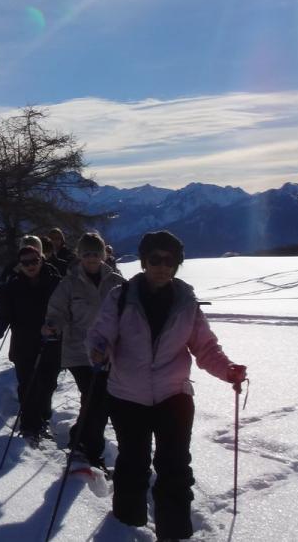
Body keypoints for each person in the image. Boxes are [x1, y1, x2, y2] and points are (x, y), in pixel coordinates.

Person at [87, 230, 247, 541]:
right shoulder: (120, 298)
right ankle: (125, 526)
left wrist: (227, 370)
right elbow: (99, 333)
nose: (162, 266)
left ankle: (175, 533)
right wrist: (98, 349)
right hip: (127, 397)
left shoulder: (187, 302)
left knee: (174, 467)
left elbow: (205, 348)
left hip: (174, 397)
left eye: (170, 261)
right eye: (155, 259)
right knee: (133, 462)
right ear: (144, 262)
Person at [43, 232, 125, 470]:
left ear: (104, 255)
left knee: (97, 400)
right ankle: (90, 450)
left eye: (96, 253)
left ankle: (80, 437)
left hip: (107, 352)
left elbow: (130, 310)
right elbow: (57, 310)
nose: (91, 258)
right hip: (78, 350)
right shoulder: (69, 283)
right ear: (79, 255)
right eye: (87, 253)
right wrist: (52, 325)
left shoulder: (115, 281)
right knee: (96, 399)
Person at [0, 245, 63, 444]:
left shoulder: (56, 283)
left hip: (52, 344)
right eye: (25, 262)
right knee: (27, 385)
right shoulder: (13, 287)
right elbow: (2, 316)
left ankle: (42, 419)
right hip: (23, 345)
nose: (30, 266)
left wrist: (58, 326)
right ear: (20, 265)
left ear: (41, 259)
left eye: (34, 261)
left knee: (47, 385)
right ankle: (29, 425)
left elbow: (67, 311)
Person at [0, 235, 43, 306]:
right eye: (26, 250)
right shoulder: (12, 269)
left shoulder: (49, 270)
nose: (30, 265)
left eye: (34, 260)